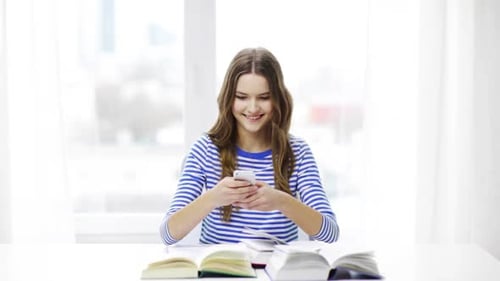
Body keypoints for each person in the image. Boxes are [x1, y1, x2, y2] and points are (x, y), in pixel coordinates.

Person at [160, 47, 339, 245]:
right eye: (242, 97)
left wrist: (282, 201)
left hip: (276, 273)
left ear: (277, 99)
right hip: (222, 272)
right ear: (229, 98)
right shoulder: (206, 150)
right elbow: (168, 234)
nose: (253, 108)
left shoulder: (297, 153)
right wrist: (213, 198)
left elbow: (330, 234)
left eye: (264, 97)